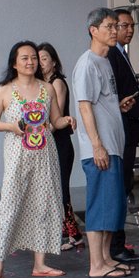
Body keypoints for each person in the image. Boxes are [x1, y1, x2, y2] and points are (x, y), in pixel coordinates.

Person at [0, 42, 69, 278]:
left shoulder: (48, 89)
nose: (30, 62)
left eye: (33, 58)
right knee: (9, 207)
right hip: (16, 155)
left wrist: (67, 121)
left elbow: (55, 120)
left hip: (45, 154)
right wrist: (12, 127)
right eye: (24, 58)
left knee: (43, 205)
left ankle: (40, 264)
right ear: (14, 63)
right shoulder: (4, 90)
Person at [72, 8, 133, 278]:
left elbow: (100, 103)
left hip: (113, 144)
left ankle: (106, 258)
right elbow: (84, 107)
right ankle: (96, 265)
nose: (114, 31)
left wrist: (118, 106)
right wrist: (96, 145)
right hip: (101, 147)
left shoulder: (105, 61)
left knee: (113, 205)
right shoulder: (86, 64)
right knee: (100, 204)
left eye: (115, 26)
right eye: (109, 26)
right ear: (93, 30)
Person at [106, 13, 139, 264]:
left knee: (126, 185)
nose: (128, 30)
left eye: (132, 25)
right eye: (123, 26)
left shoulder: (121, 52)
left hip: (129, 127)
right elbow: (120, 95)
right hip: (121, 128)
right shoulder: (111, 54)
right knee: (121, 187)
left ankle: (118, 243)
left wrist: (138, 124)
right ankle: (115, 245)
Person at [38, 41, 85, 251]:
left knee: (61, 188)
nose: (40, 63)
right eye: (38, 59)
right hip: (48, 141)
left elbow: (55, 117)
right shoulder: (40, 84)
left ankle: (74, 234)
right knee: (52, 189)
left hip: (59, 142)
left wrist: (39, 136)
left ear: (54, 62)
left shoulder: (57, 83)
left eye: (45, 58)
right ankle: (65, 231)